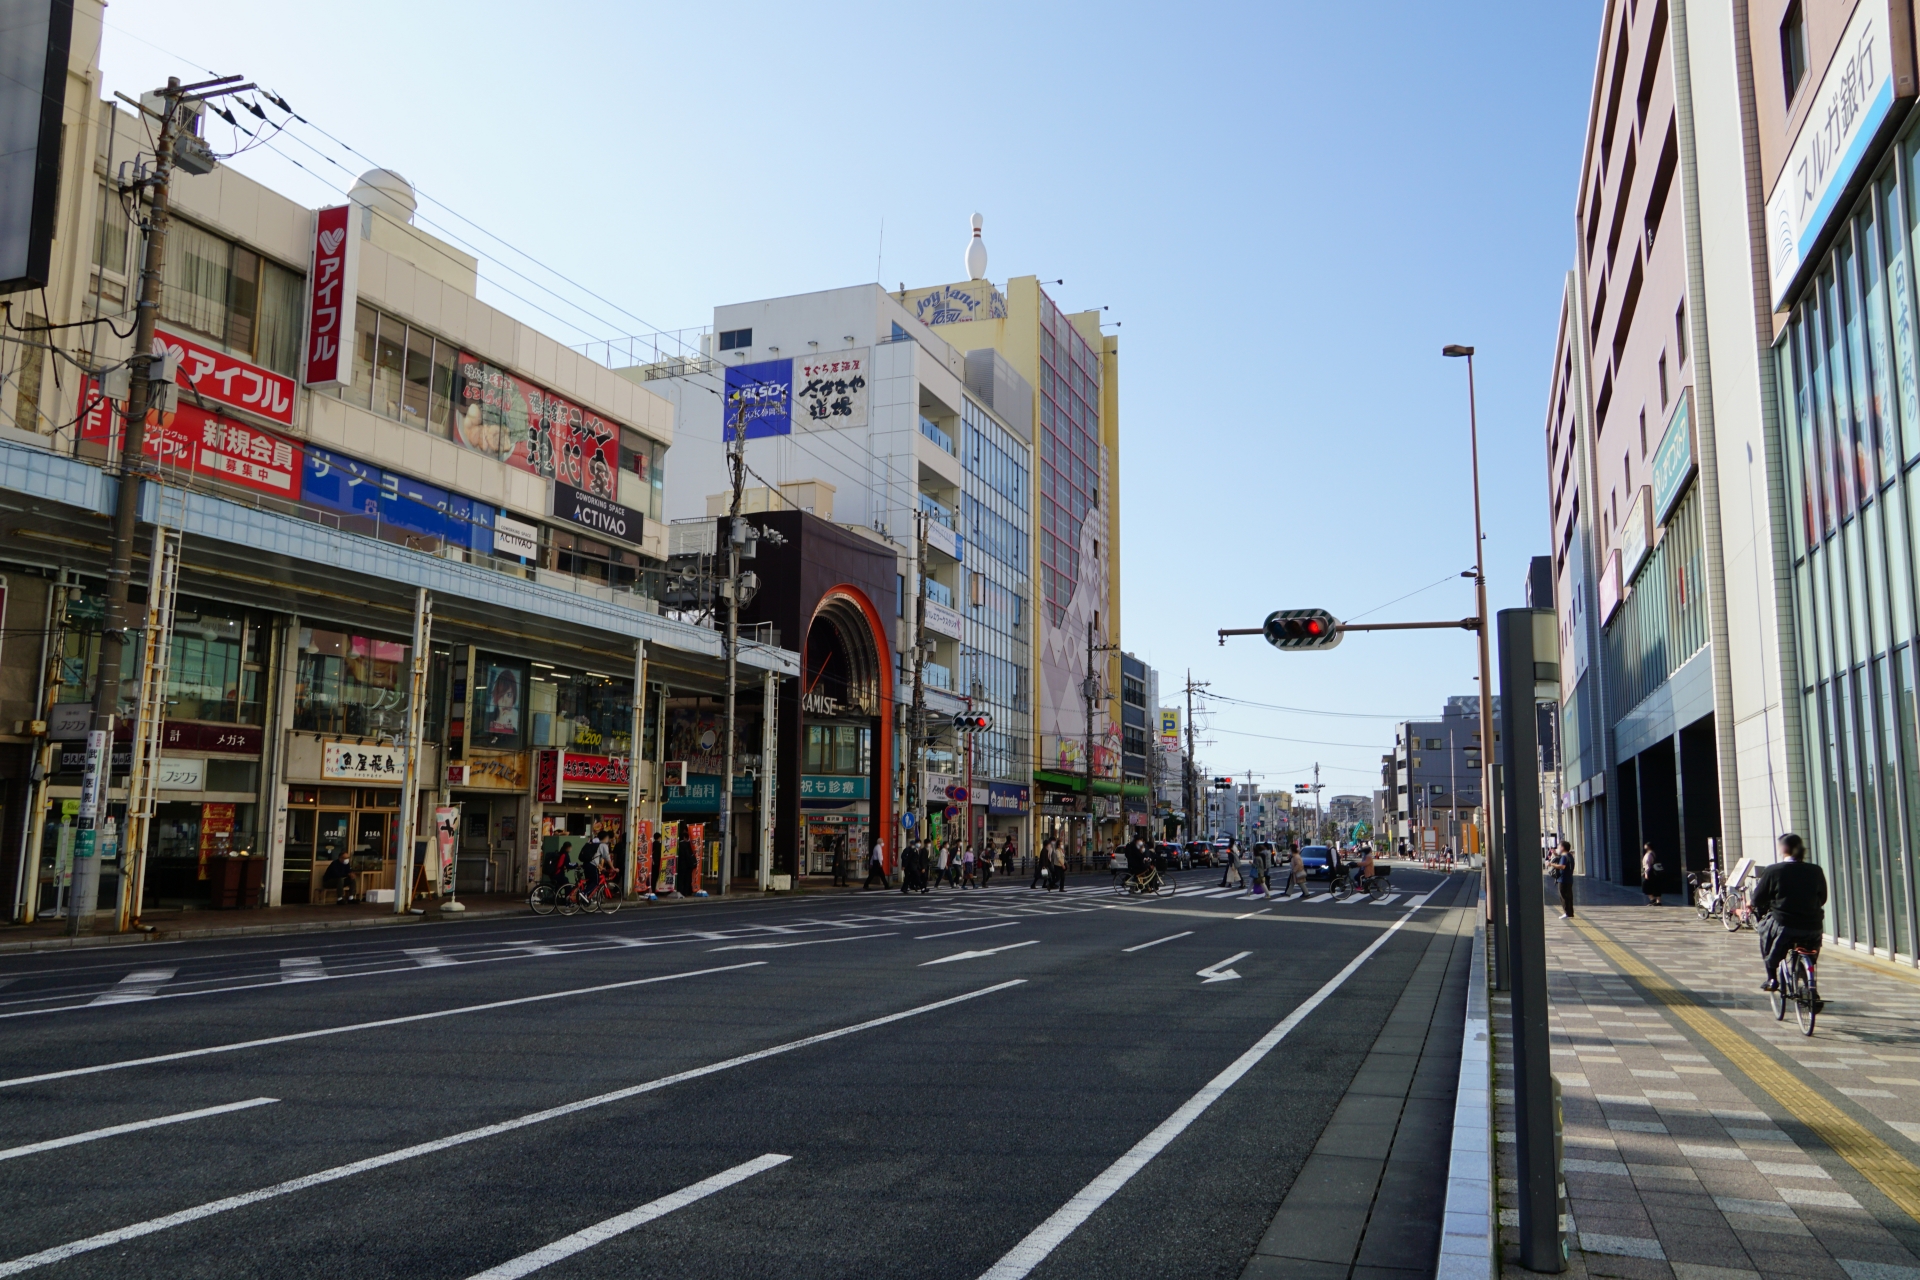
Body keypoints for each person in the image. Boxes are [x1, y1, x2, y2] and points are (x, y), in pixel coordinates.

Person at [1753, 833, 1827, 995]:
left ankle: (1772, 978)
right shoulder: (1815, 870)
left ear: (1784, 849)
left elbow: (1757, 899)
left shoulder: (1773, 870)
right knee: (1807, 950)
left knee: (1764, 931)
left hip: (1784, 925)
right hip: (1812, 926)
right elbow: (1823, 898)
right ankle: (1809, 986)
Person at [1553, 844, 1576, 919]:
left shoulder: (1564, 857)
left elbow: (1562, 866)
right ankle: (1570, 913)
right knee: (1569, 897)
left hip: (1563, 879)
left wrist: (1551, 864)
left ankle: (1567, 913)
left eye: (1558, 847)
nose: (1557, 848)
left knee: (1563, 896)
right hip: (1569, 879)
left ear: (1563, 848)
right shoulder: (1570, 856)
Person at [1641, 842, 1663, 906]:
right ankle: (1657, 901)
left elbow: (1647, 865)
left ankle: (1652, 899)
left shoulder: (1649, 854)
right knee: (1656, 885)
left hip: (1650, 871)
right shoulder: (1652, 853)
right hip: (1654, 871)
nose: (1644, 846)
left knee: (1646, 886)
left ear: (1649, 846)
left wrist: (1646, 873)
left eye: (1646, 845)